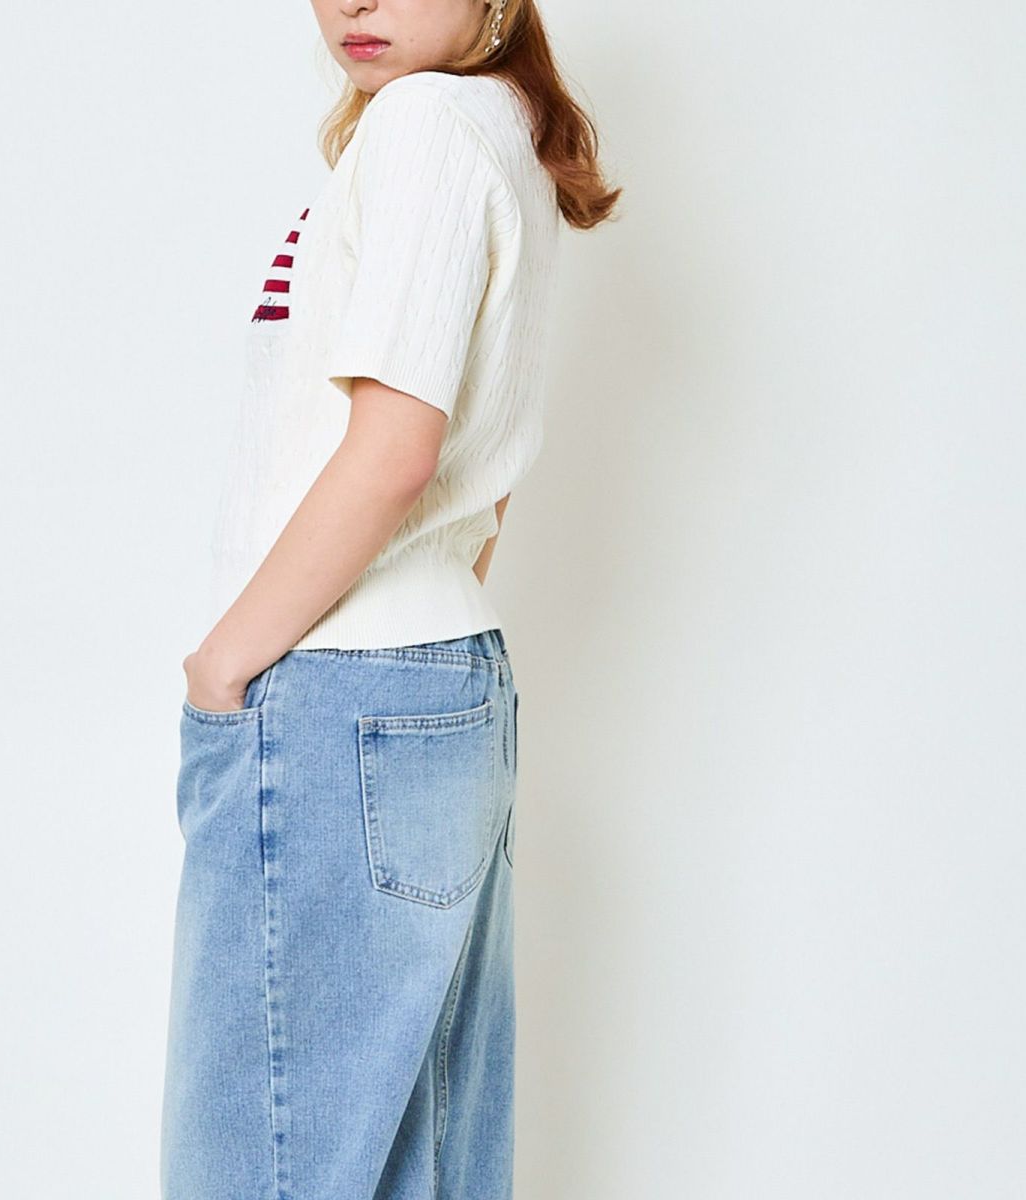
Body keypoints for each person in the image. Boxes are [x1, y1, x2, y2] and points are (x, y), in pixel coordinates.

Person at [160, 2, 621, 1196]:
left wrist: (225, 666)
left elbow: (399, 448)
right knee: (424, 1163)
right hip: (435, 682)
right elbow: (486, 463)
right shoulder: (498, 128)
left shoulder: (425, 123)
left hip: (335, 685)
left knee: (264, 1168)